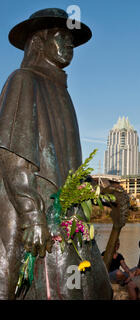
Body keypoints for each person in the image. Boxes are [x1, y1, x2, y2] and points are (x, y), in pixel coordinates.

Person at [0, 8, 113, 299]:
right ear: (38, 42)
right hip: (43, 219)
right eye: (61, 38)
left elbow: (67, 165)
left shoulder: (62, 92)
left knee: (95, 289)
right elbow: (14, 157)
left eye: (71, 41)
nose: (69, 46)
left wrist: (94, 188)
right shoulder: (23, 79)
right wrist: (32, 217)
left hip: (68, 220)